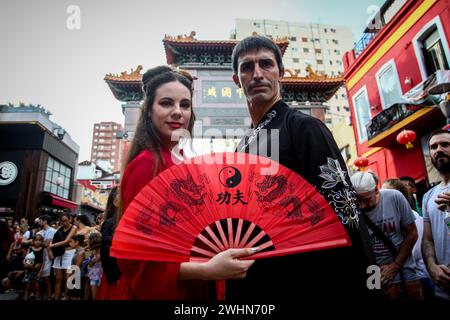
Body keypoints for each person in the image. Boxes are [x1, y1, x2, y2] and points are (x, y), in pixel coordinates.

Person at [229, 35, 374, 301]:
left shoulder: (303, 127)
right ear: (237, 80)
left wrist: (363, 279)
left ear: (281, 73)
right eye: (247, 67)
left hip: (310, 276)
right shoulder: (242, 145)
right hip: (260, 274)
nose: (257, 74)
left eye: (266, 64)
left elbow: (345, 211)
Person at [109, 65, 256, 300]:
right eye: (166, 103)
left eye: (184, 105)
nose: (178, 112)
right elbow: (136, 259)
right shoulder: (147, 164)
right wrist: (207, 270)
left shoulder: (179, 162)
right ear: (148, 111)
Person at [351, 171, 423, 300]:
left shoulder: (394, 197)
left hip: (403, 267)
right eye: (358, 201)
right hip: (373, 271)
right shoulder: (351, 208)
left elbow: (412, 233)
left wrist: (395, 266)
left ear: (376, 190)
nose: (361, 205)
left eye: (366, 200)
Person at [382, 178, 434, 299]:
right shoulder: (391, 217)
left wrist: (392, 265)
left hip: (419, 278)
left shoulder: (412, 216)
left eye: (388, 193)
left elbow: (414, 250)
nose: (383, 197)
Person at [421, 129, 450, 301]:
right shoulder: (428, 196)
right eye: (433, 147)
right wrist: (432, 268)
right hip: (442, 289)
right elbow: (427, 240)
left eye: (445, 144)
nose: (438, 149)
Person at [49, 212, 77, 300]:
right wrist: (51, 248)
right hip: (60, 254)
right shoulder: (60, 229)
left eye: (65, 221)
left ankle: (66, 297)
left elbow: (66, 240)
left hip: (69, 254)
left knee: (67, 278)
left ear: (70, 219)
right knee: (58, 278)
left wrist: (52, 246)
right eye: (62, 221)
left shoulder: (74, 227)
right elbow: (52, 240)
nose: (64, 223)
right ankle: (57, 297)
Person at [37, 215, 56, 300]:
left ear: (45, 221)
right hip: (39, 255)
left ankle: (48, 297)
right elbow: (39, 243)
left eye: (40, 220)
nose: (39, 222)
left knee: (47, 278)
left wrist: (43, 243)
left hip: (48, 257)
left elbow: (49, 244)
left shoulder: (53, 231)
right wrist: (44, 242)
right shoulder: (39, 232)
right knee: (38, 279)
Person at [23, 234, 44, 300]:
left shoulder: (42, 249)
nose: (37, 242)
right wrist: (25, 263)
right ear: (33, 241)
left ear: (41, 241)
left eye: (39, 240)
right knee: (27, 286)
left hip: (37, 271)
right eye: (36, 240)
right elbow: (26, 258)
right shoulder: (30, 248)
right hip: (29, 269)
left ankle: (37, 298)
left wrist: (40, 272)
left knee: (37, 287)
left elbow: (43, 261)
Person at [67, 234, 85, 300]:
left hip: (77, 276)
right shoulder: (77, 251)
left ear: (77, 242)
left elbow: (77, 267)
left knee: (74, 296)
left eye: (71, 241)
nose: (69, 243)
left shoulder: (80, 252)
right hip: (76, 276)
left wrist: (70, 276)